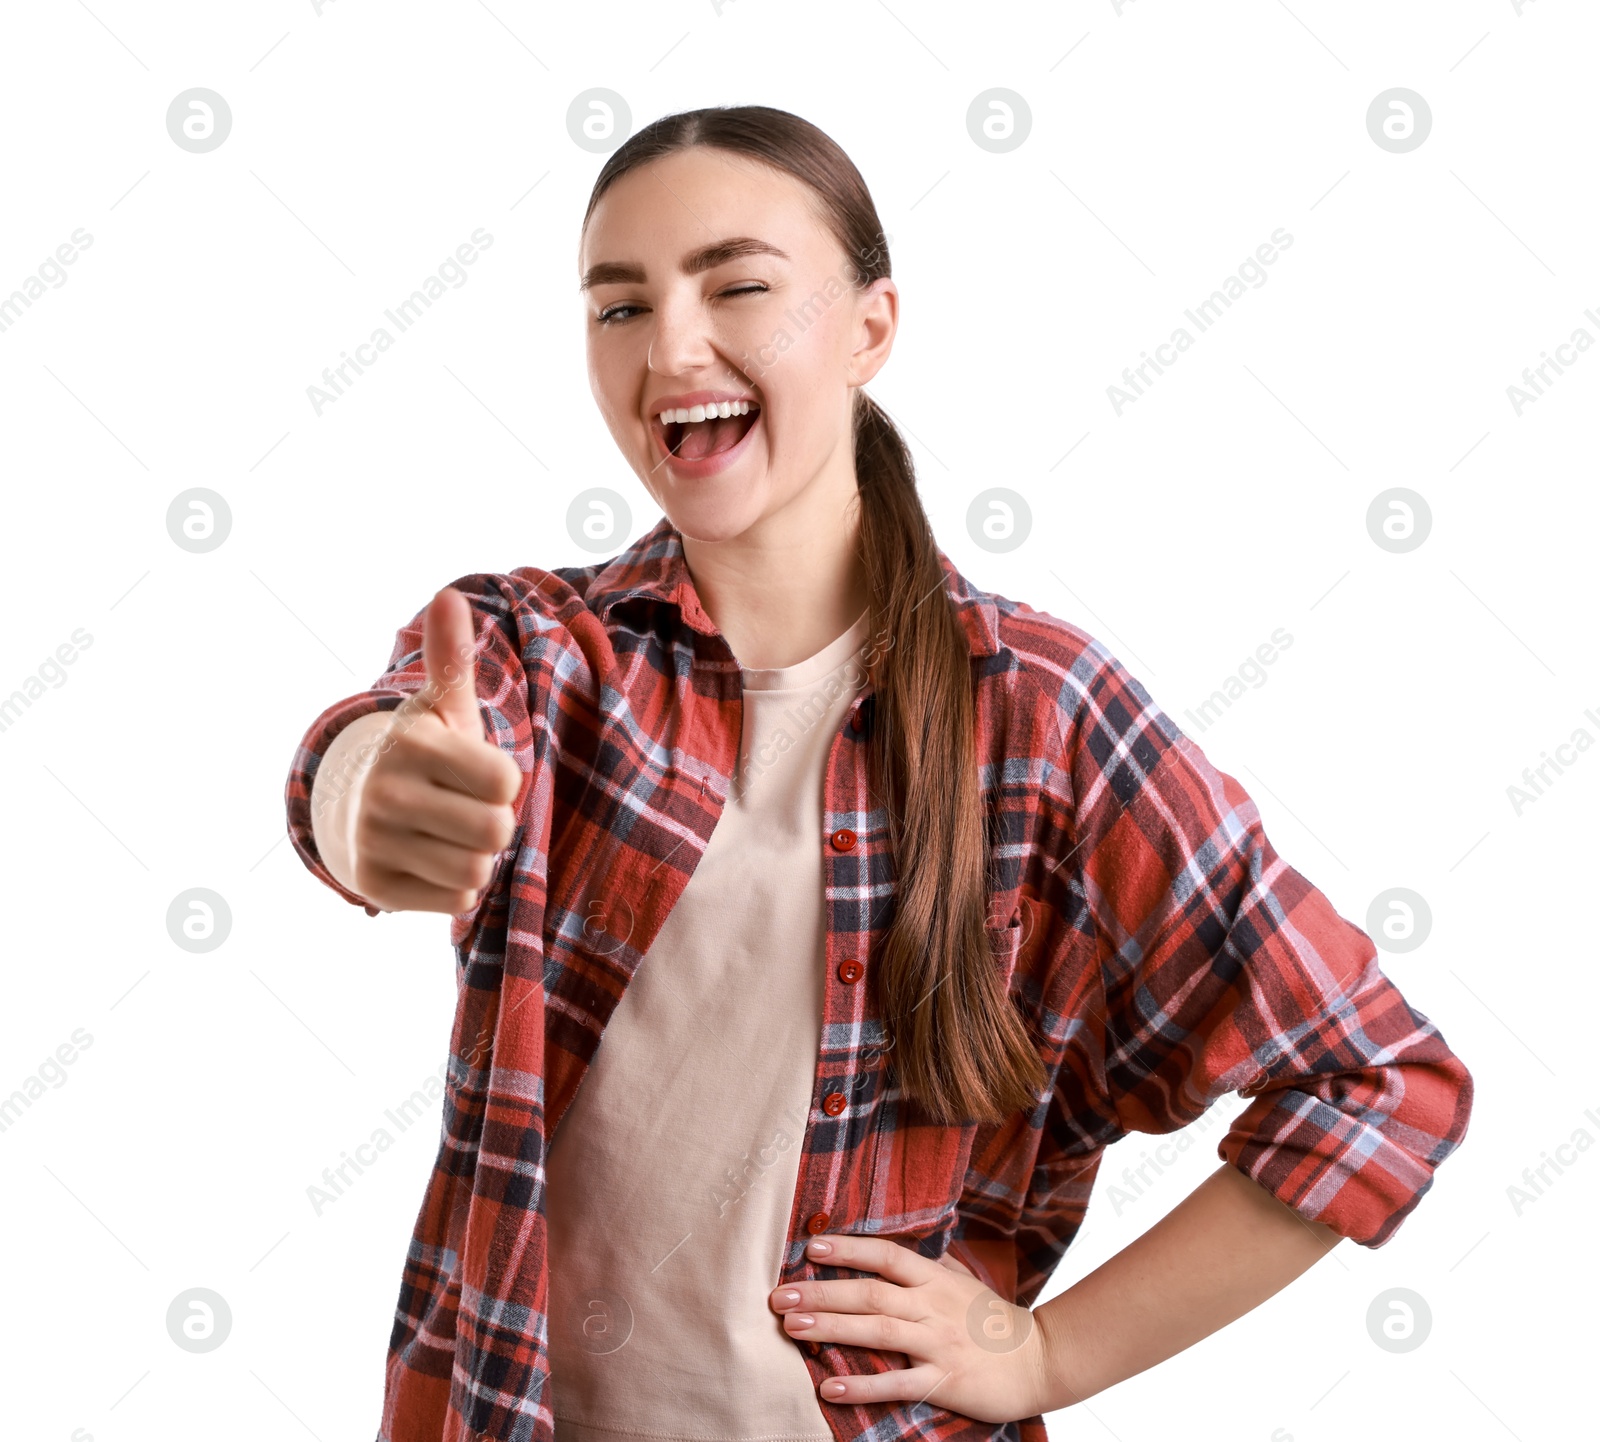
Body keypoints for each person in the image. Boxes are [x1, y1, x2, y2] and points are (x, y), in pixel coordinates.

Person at [283, 104, 1474, 1442]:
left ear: (868, 328)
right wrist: (367, 795)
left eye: (736, 286)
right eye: (618, 307)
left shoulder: (1038, 709)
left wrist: (1042, 1355)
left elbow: (1377, 1080)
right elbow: (388, 743)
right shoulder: (538, 651)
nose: (672, 345)